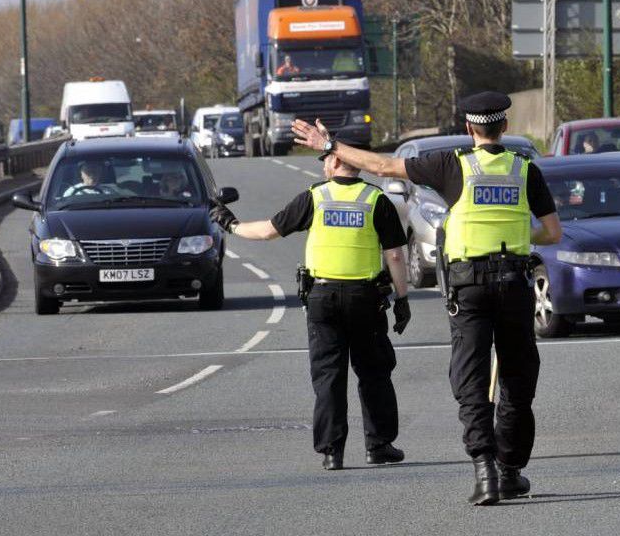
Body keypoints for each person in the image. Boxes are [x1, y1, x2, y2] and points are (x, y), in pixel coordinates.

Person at [291, 91, 563, 506]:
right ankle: (511, 471)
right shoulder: (526, 170)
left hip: (469, 287)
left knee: (471, 378)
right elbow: (553, 232)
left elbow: (381, 165)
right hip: (514, 283)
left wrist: (330, 146)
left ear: (470, 129)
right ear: (504, 127)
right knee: (517, 378)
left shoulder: (451, 164)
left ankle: (484, 471)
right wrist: (519, 235)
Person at [209, 141, 411, 471]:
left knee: (328, 375)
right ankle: (379, 446)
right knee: (374, 373)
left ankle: (333, 451)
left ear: (337, 161)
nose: (323, 166)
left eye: (326, 160)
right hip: (366, 300)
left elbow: (268, 232)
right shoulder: (376, 200)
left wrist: (229, 223)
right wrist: (401, 298)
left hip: (324, 298)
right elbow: (395, 255)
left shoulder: (315, 197)